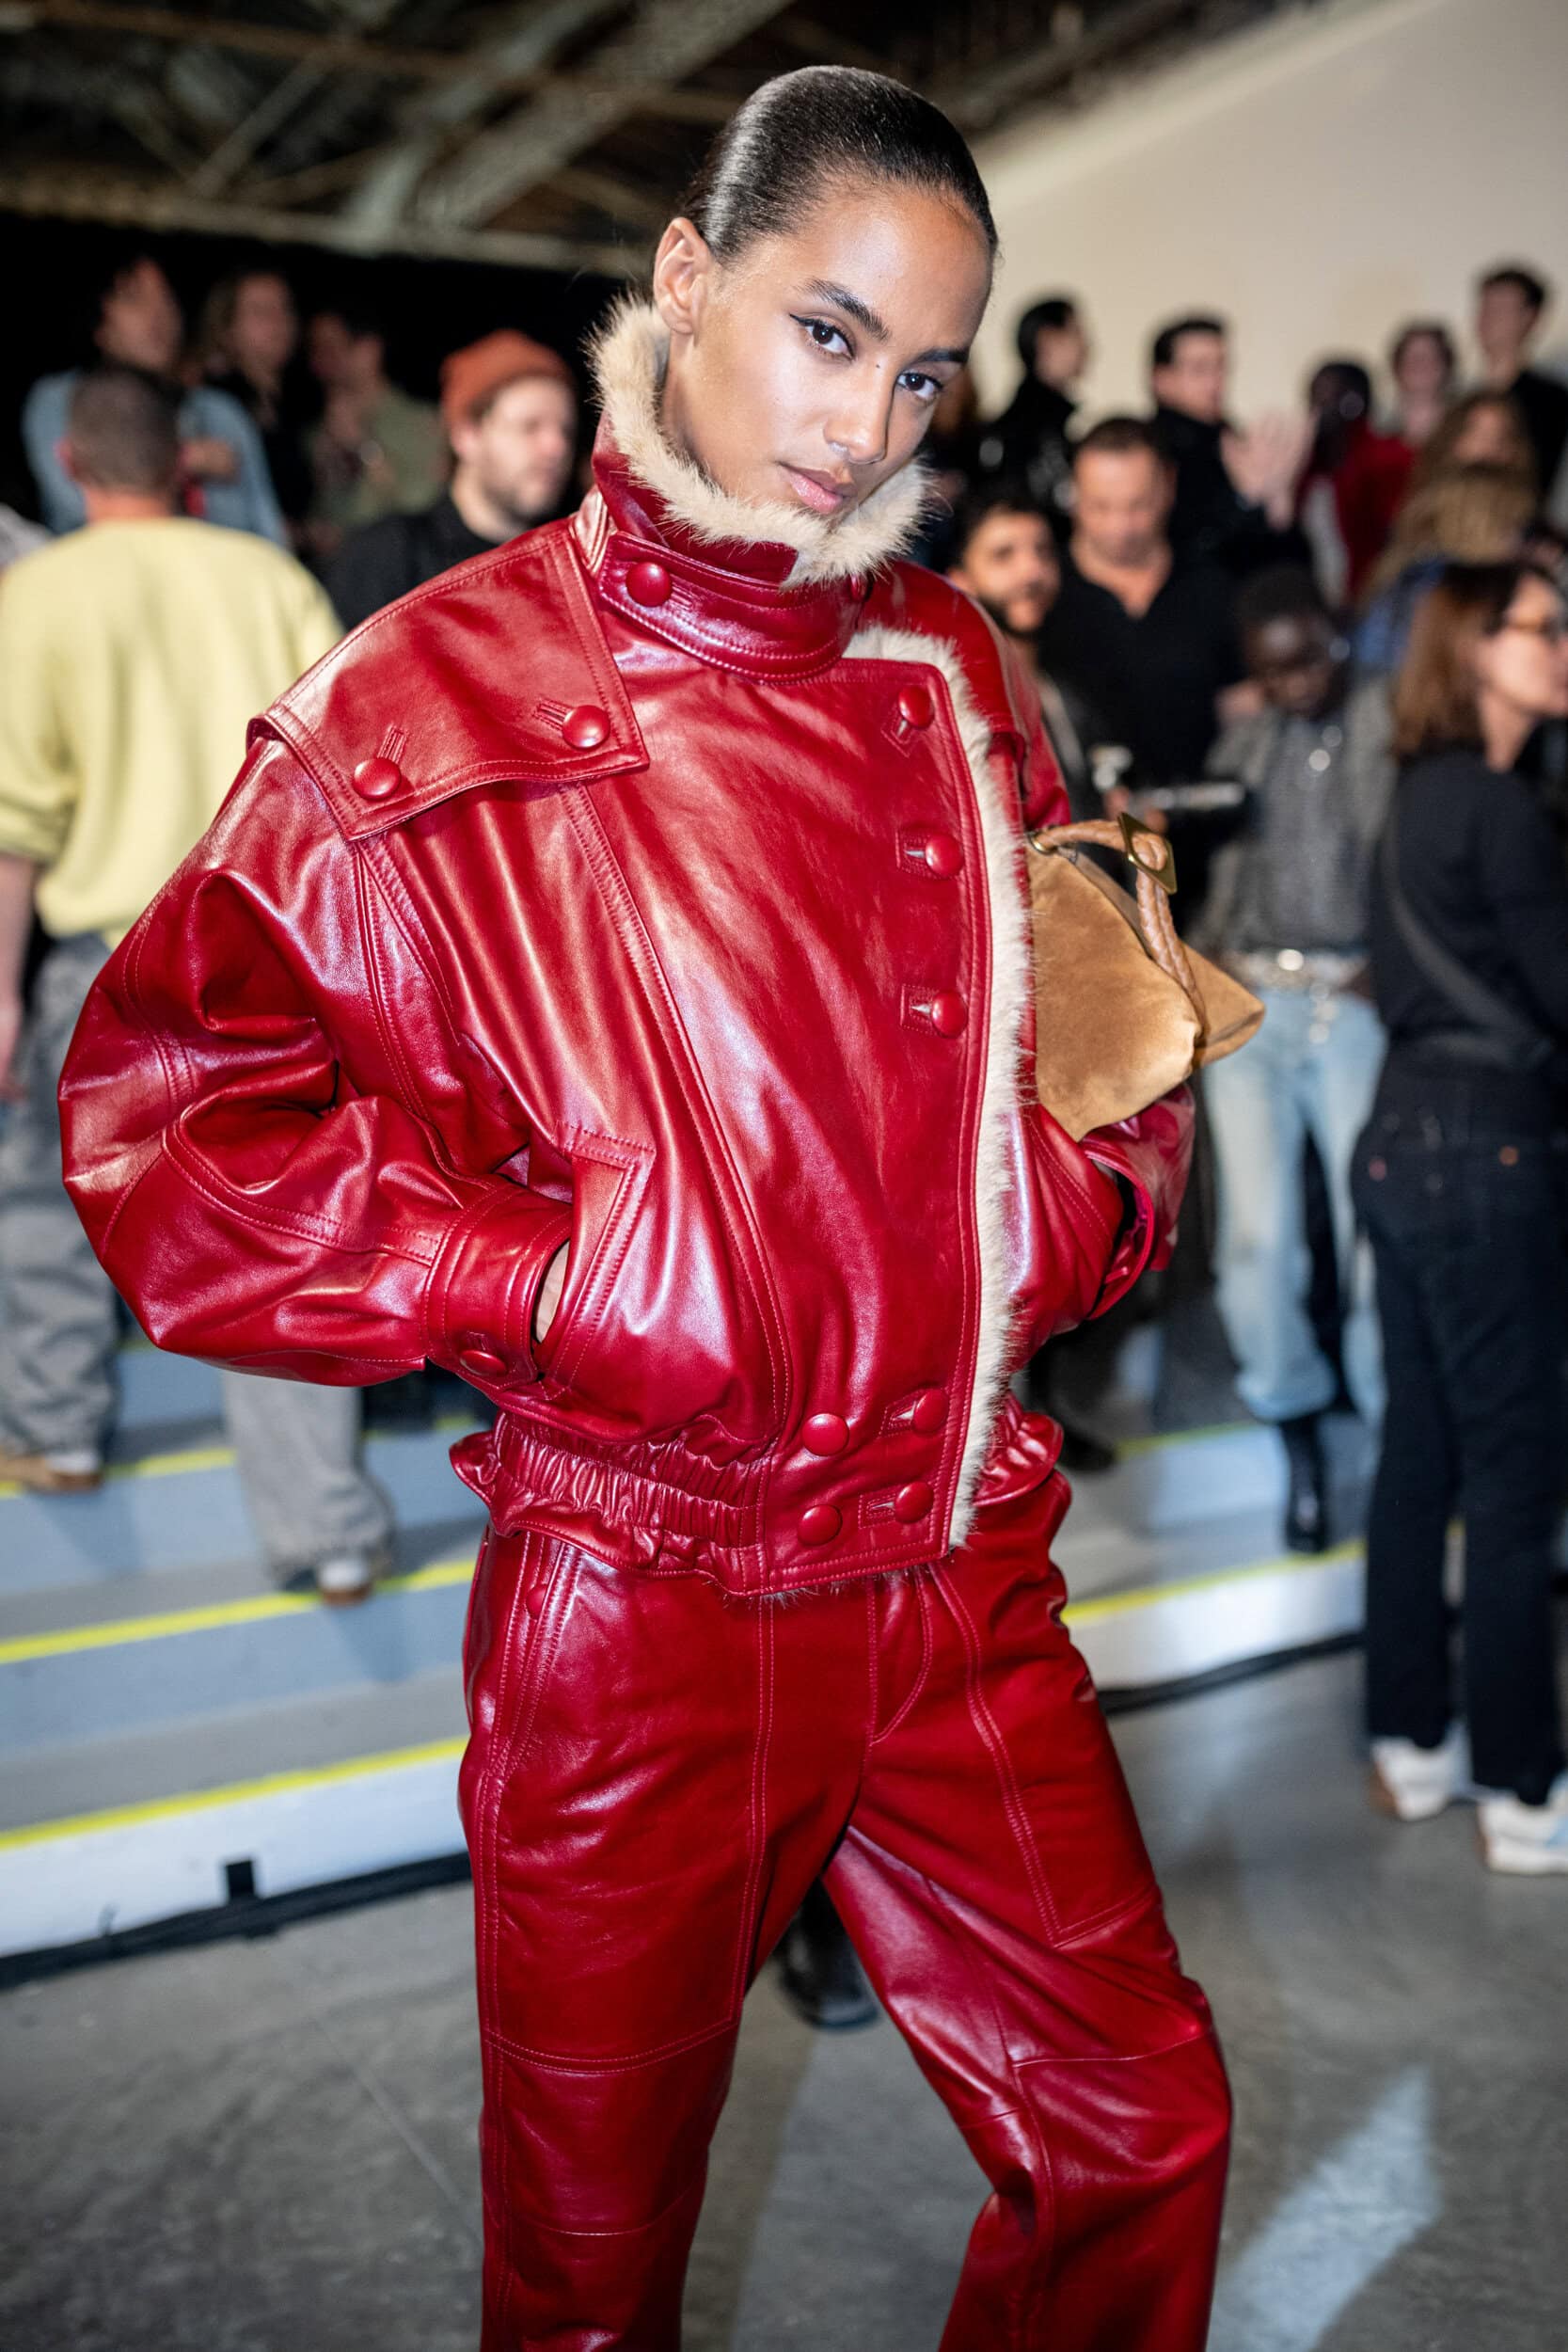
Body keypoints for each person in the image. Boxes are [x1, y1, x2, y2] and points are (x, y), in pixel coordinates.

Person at [59, 67, 1230, 2349]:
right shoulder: (429, 690)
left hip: (945, 1558)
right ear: (684, 279)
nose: (863, 420)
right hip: (641, 1603)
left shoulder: (965, 672)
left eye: (917, 372)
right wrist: (547, 1271)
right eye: (825, 331)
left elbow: (1103, 1021)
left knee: (1138, 2128)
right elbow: (164, 1129)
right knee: (589, 2281)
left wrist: (1081, 1199)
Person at [0, 366, 392, 1602]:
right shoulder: (267, 580)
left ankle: (59, 1426)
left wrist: (1, 994)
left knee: (43, 1197)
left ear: (68, 465)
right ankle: (325, 1531)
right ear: (186, 459)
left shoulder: (34, 598)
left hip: (99, 953)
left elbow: (14, 821)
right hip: (252, 954)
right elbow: (343, 786)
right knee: (265, 1237)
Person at [1353, 559, 1568, 1871]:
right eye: (1540, 628)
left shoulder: (1416, 803)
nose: (1558, 647)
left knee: (1418, 1453)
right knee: (1507, 1473)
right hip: (1486, 1145)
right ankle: (1520, 1790)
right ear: (1470, 650)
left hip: (1398, 1141)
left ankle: (1407, 1747)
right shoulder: (1494, 807)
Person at [1197, 569, 1392, 1549]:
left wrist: (1390, 967)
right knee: (1256, 1240)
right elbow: (1213, 883)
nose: (1298, 681)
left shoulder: (1382, 728)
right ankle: (1294, 1425)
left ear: (1335, 638)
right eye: (1275, 670)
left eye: (1310, 656)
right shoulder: (1243, 745)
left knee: (1371, 1230)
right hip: (1255, 1002)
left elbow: (1409, 863)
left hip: (1351, 995)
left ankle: (1392, 1420)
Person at [1037, 415, 1247, 791]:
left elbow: (1244, 722)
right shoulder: (1041, 597)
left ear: (1169, 486)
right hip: (1080, 836)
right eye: (1100, 507)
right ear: (1073, 496)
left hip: (1202, 828)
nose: (1120, 527)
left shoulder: (1211, 587)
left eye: (1138, 506)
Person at [22, 255, 287, 545]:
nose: (158, 314)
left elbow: (268, 528)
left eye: (166, 299)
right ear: (100, 323)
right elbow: (73, 501)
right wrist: (187, 458)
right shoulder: (63, 400)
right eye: (135, 300)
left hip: (216, 581)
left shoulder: (217, 412)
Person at [327, 329, 577, 629]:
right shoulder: (389, 556)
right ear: (466, 436)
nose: (556, 447)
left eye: (566, 431)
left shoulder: (568, 569)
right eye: (529, 426)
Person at [1148, 313, 1309, 575]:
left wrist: (1279, 501)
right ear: (1162, 379)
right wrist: (1244, 499)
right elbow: (1181, 546)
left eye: (1221, 366)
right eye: (1200, 369)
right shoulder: (1150, 452)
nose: (1215, 381)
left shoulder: (1235, 441)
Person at [1356, 459, 1534, 676]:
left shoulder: (1409, 571)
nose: (1522, 543)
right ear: (1479, 524)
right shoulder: (1440, 587)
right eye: (1514, 526)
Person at [305, 304, 448, 562]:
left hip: (398, 573)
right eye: (315, 350)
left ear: (368, 351)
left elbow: (421, 507)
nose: (319, 363)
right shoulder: (315, 429)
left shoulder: (421, 422)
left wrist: (363, 446)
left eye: (331, 349)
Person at [198, 266, 315, 534]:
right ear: (227, 329)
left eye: (284, 309)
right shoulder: (212, 403)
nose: (279, 322)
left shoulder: (296, 401)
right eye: (261, 312)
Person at [1294, 358, 1414, 608]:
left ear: (1354, 402)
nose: (1318, 409)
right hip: (1316, 601)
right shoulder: (1305, 465)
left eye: (1327, 397)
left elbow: (1396, 536)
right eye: (1314, 398)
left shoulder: (1389, 458)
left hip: (1373, 597)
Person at [975, 293, 1089, 535]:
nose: (1087, 345)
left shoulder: (1041, 419)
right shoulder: (1031, 427)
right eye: (1077, 332)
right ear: (1047, 340)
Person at [1474, 263, 1568, 503]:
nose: (1488, 318)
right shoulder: (1462, 398)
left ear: (1530, 317)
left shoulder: (1552, 402)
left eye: (1501, 309)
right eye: (1485, 307)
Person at [1386, 320, 1457, 453]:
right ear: (1397, 367)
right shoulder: (1378, 436)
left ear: (1445, 367)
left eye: (1430, 357)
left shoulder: (1462, 437)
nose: (1420, 364)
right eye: (1412, 357)